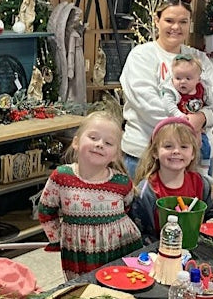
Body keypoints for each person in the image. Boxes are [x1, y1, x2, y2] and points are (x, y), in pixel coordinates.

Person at [120, 0, 213, 181]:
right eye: (169, 20)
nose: (176, 27)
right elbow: (146, 104)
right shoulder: (141, 56)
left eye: (183, 22)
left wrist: (203, 117)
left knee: (194, 208)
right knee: (145, 209)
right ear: (157, 20)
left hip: (194, 155)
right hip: (146, 154)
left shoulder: (199, 58)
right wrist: (188, 123)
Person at [37, 110, 142, 280]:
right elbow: (46, 211)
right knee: (84, 293)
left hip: (119, 249)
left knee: (118, 290)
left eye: (108, 143)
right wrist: (57, 239)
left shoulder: (122, 182)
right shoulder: (62, 177)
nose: (100, 144)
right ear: (76, 142)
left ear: (115, 154)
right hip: (79, 253)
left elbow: (128, 208)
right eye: (93, 138)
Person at [130, 116, 213, 244]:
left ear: (193, 153)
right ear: (155, 152)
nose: (176, 151)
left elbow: (210, 214)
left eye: (184, 147)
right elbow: (139, 234)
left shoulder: (201, 184)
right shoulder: (145, 192)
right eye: (168, 146)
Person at [161, 54, 213, 178]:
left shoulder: (203, 90)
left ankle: (203, 172)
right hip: (177, 130)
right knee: (181, 151)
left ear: (198, 79)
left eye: (188, 78)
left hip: (197, 129)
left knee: (204, 146)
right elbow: (168, 105)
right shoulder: (171, 91)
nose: (182, 82)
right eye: (178, 78)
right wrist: (179, 115)